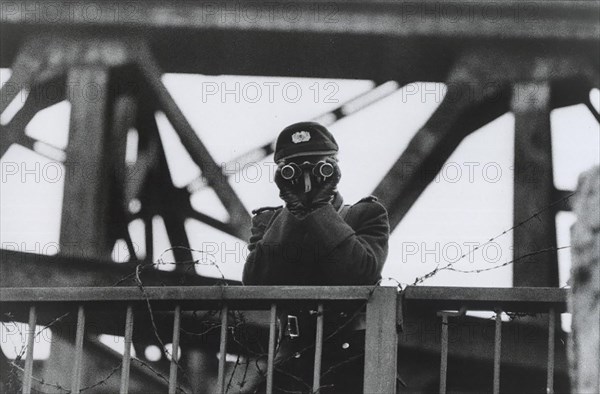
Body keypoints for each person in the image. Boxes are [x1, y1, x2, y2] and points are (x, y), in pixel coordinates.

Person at [242, 121, 390, 393]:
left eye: (318, 165)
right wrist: (293, 209)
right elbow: (255, 281)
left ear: (334, 167)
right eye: (293, 168)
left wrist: (321, 208)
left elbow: (360, 273)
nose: (307, 175)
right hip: (291, 358)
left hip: (350, 360)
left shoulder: (366, 215)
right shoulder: (268, 222)